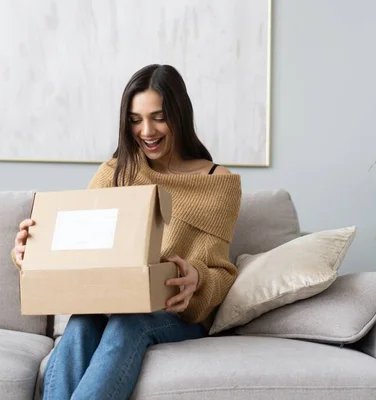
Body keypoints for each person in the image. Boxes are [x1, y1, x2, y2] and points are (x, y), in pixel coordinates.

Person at [12, 64, 242, 400]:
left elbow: (221, 272)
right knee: (80, 324)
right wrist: (28, 252)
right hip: (112, 302)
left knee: (130, 323)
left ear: (180, 115)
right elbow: (78, 248)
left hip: (176, 314)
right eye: (135, 119)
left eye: (158, 117)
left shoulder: (217, 183)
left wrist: (198, 279)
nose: (146, 130)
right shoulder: (115, 173)